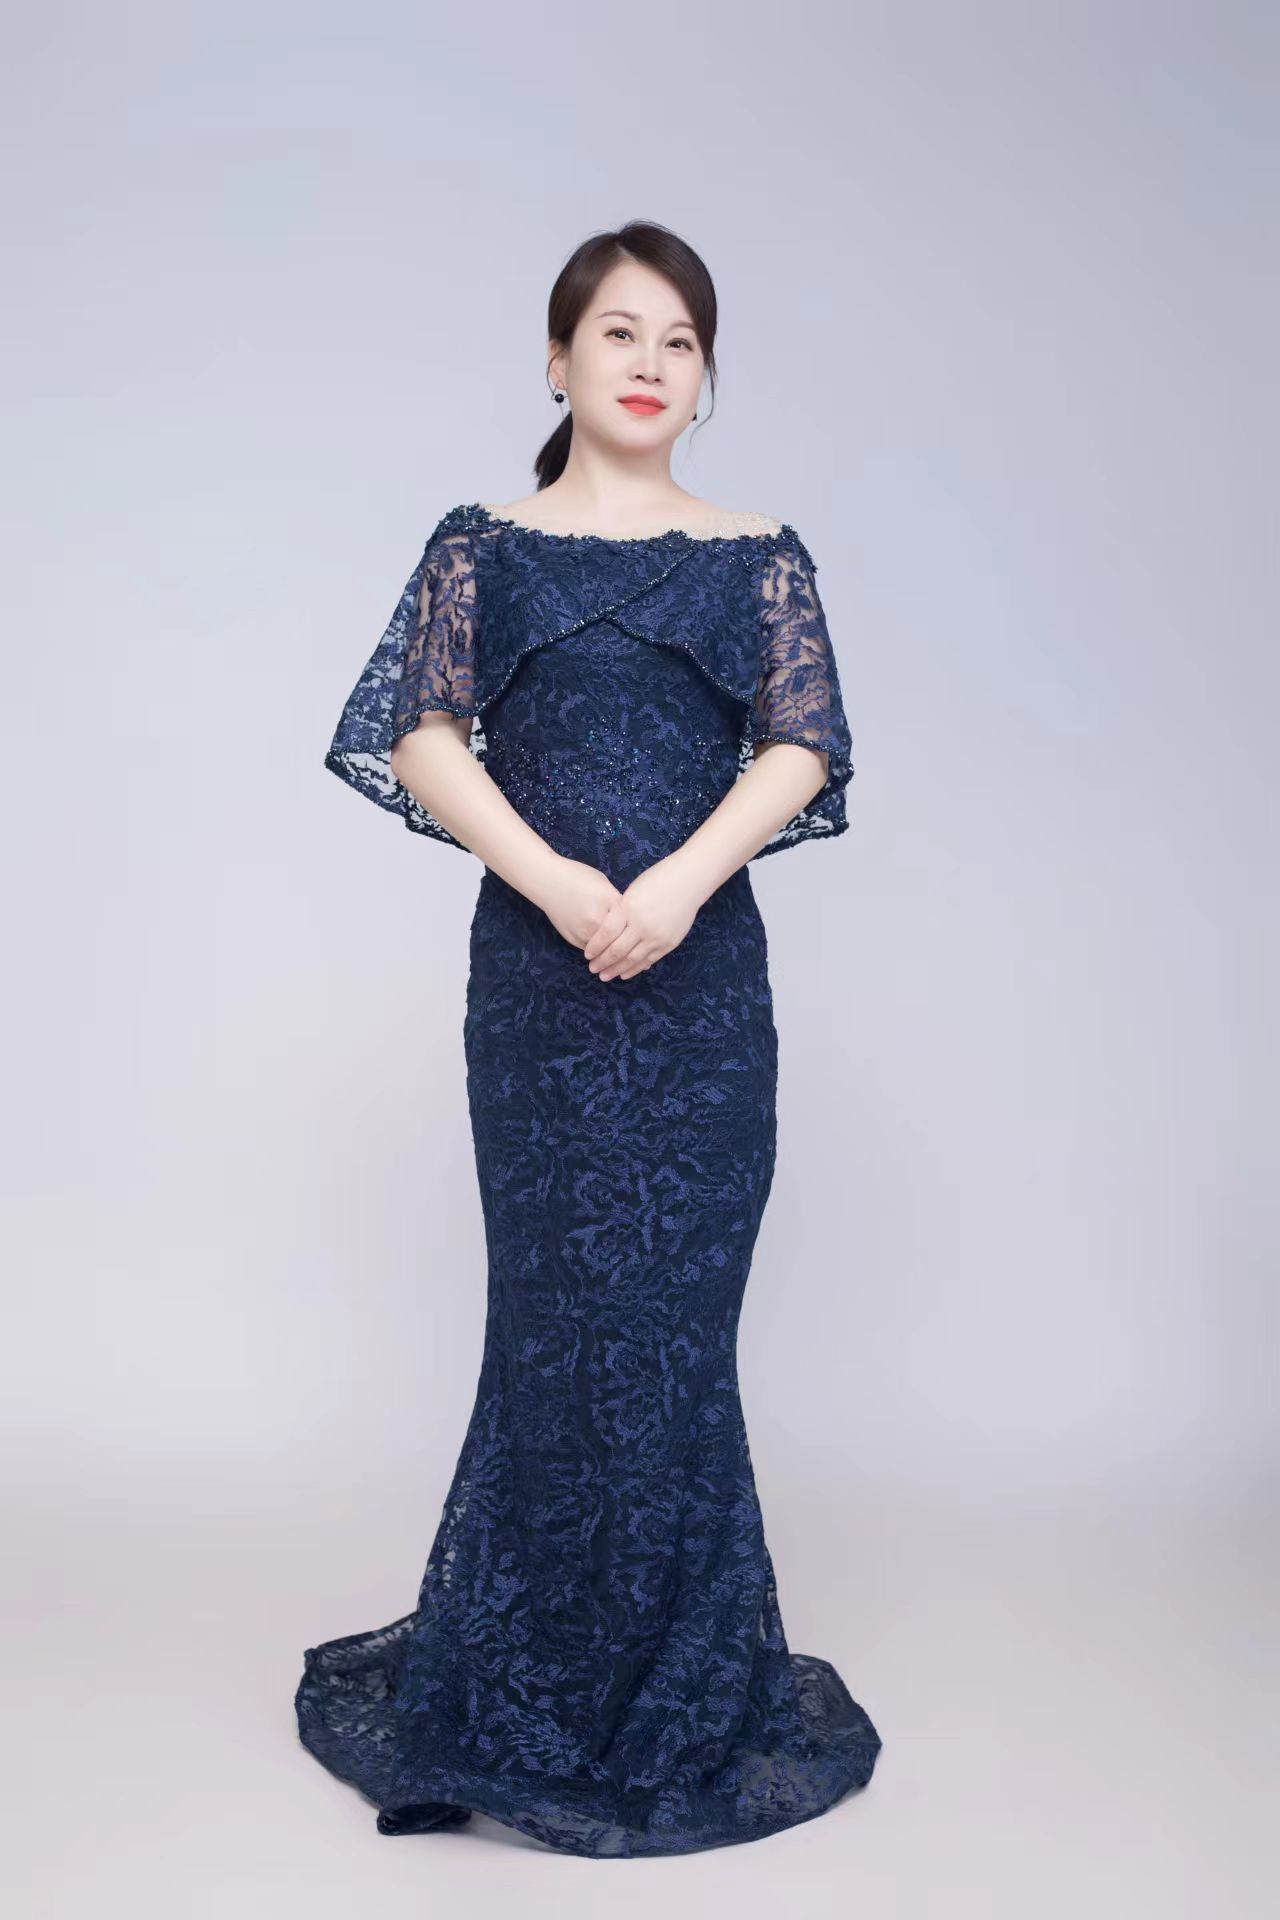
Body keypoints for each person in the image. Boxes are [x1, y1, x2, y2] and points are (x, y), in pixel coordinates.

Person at [294, 219, 882, 1858]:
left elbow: (803, 744)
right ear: (557, 361)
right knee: (555, 1326)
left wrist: (678, 886)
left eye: (681, 341)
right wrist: (557, 883)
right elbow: (418, 733)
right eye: (619, 332)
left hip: (702, 994)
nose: (649, 362)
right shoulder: (482, 549)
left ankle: (677, 1689)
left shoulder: (758, 555)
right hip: (538, 995)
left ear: (706, 379)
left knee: (675, 1333)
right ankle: (514, 1692)